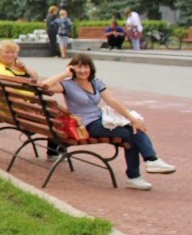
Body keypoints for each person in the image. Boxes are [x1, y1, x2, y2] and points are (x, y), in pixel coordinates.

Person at [41, 54, 175, 190]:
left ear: (91, 68)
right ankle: (143, 169)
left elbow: (112, 101)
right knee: (131, 135)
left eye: (86, 67)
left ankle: (148, 164)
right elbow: (44, 85)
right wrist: (65, 74)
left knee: (134, 128)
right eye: (79, 67)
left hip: (102, 119)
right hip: (87, 125)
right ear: (72, 68)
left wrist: (132, 119)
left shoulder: (96, 83)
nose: (83, 70)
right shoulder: (67, 85)